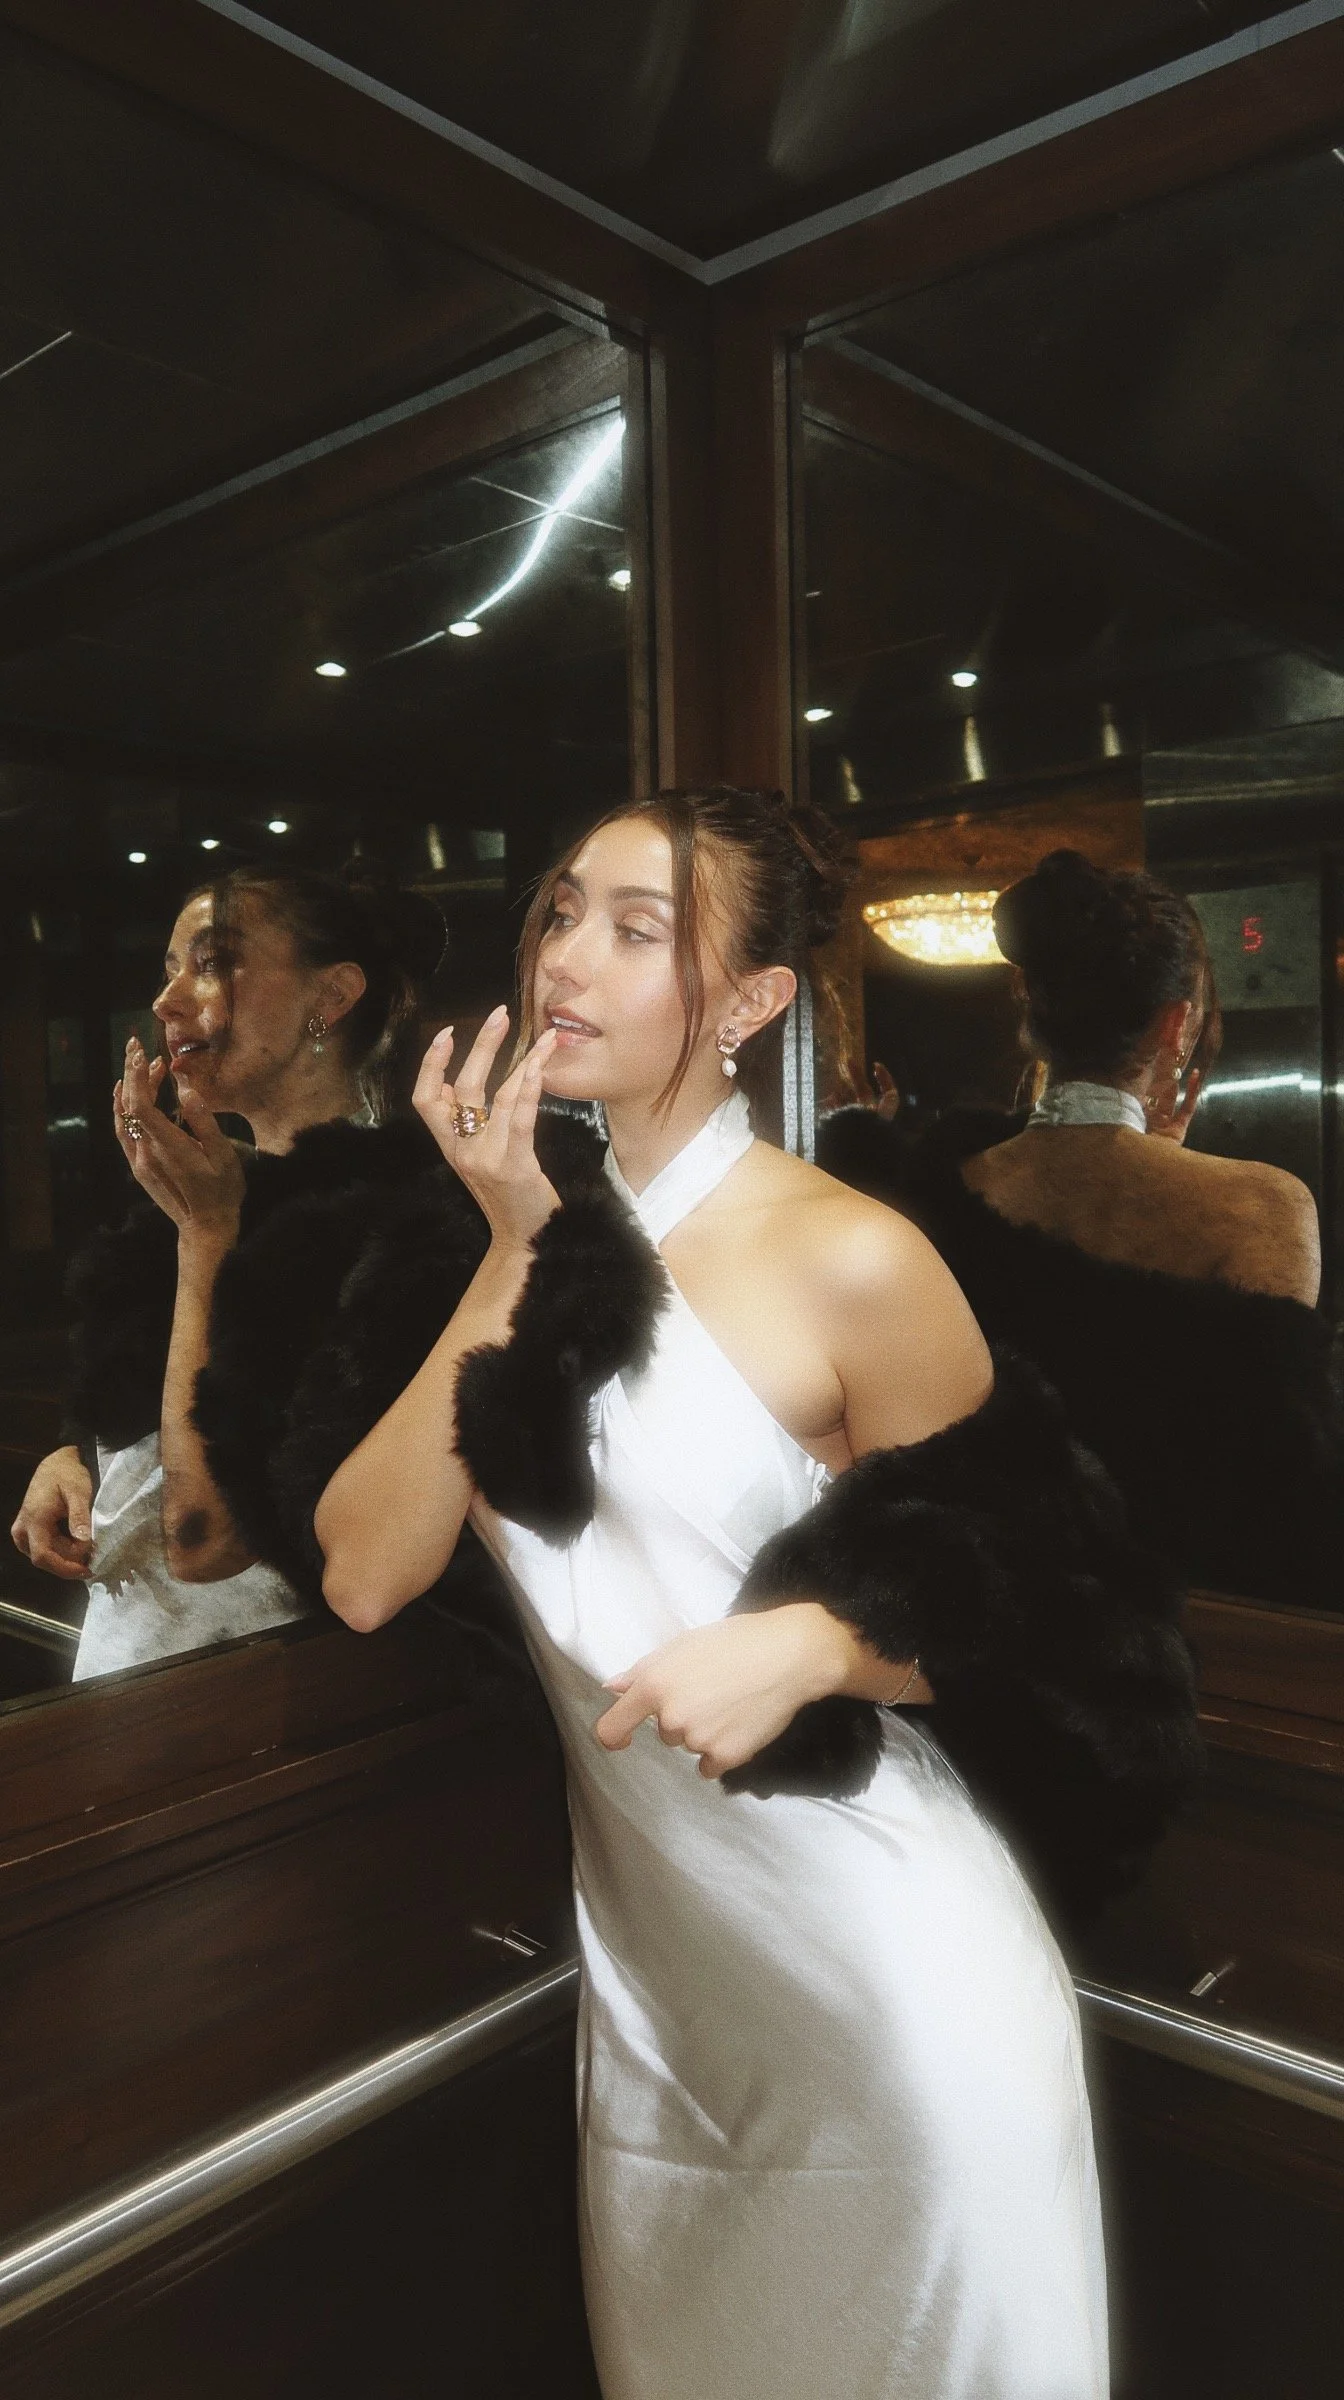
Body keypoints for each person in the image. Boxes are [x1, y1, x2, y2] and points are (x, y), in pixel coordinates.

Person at [288, 788, 1198, 2400]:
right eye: (564, 910)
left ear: (754, 1001)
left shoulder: (851, 1256)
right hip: (672, 2023)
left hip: (895, 2002)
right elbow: (364, 1571)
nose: (568, 958)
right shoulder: (508, 1240)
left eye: (639, 931)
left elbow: (1054, 1612)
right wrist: (518, 1242)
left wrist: (818, 1642)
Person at [821, 847, 1342, 1610]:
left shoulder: (939, 1190)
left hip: (970, 1612)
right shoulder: (1261, 1207)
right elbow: (1278, 1485)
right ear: (1176, 1025)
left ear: (1025, 1000)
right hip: (1183, 1634)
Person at [10, 865, 448, 1678]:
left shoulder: (398, 1219)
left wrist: (208, 1234)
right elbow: (141, 1411)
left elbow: (205, 1539)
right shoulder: (204, 1187)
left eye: (212, 964)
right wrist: (75, 1459)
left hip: (263, 1694)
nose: (168, 1001)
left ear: (333, 996)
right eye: (168, 969)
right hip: (128, 1667)